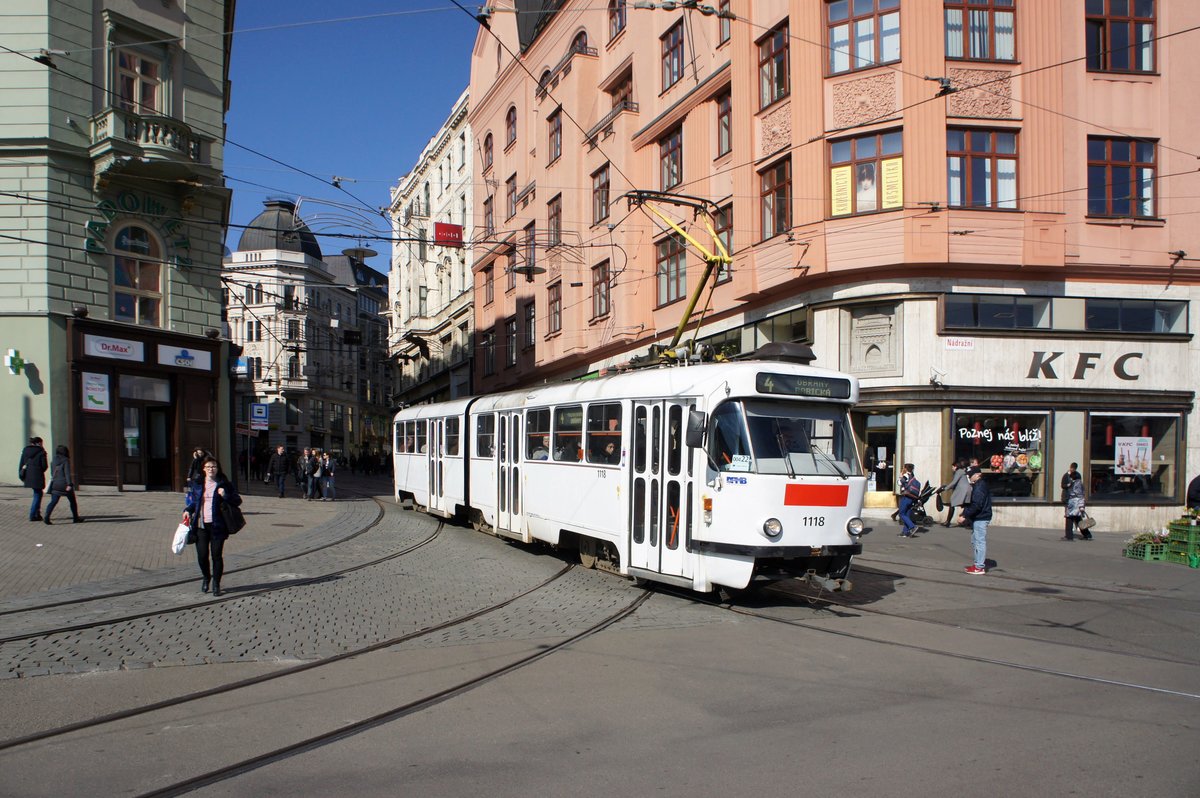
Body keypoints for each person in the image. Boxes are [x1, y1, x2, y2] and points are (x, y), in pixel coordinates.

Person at [183, 457, 242, 597]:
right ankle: (206, 577)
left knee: (216, 556)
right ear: (203, 469)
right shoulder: (198, 484)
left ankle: (216, 584)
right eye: (208, 467)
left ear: (218, 468)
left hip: (218, 526)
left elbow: (237, 500)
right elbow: (195, 503)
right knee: (202, 556)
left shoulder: (224, 484)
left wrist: (225, 495)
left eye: (214, 466)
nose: (211, 469)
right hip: (201, 526)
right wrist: (187, 510)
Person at [958, 466, 992, 574]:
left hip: (981, 517)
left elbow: (977, 504)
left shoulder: (980, 486)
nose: (969, 477)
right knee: (975, 541)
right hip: (979, 517)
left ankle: (979, 567)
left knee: (979, 542)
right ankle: (978, 563)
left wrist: (964, 515)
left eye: (970, 475)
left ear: (977, 475)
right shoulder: (978, 485)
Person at [43, 445, 82, 524]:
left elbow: (52, 473)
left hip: (55, 484)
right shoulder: (65, 460)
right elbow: (67, 473)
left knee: (53, 501)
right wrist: (69, 484)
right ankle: (75, 518)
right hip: (64, 484)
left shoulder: (53, 460)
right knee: (72, 501)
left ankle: (47, 516)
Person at [18, 436, 48, 522]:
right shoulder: (41, 452)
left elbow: (21, 463)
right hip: (37, 476)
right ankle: (32, 514)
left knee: (37, 493)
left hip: (28, 476)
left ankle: (37, 514)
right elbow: (44, 466)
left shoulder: (25, 450)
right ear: (39, 443)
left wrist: (22, 475)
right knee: (37, 495)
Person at [941, 458, 971, 527]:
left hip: (962, 491)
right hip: (965, 490)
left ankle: (948, 521)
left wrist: (945, 488)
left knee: (952, 504)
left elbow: (954, 482)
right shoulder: (961, 472)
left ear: (956, 466)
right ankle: (968, 521)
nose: (952, 468)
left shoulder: (959, 472)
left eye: (952, 467)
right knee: (966, 505)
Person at [1063, 471, 1091, 541]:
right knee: (1078, 519)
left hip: (1074, 503)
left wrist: (1081, 506)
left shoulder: (1077, 483)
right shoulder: (1076, 482)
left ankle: (1069, 536)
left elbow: (1080, 495)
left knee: (1069, 518)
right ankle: (1087, 534)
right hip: (1074, 503)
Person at [897, 463, 921, 538]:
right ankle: (905, 532)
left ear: (905, 468)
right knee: (907, 514)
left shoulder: (906, 475)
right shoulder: (912, 476)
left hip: (906, 496)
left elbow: (899, 483)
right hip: (912, 497)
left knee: (901, 513)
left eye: (903, 467)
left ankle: (912, 527)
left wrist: (900, 476)